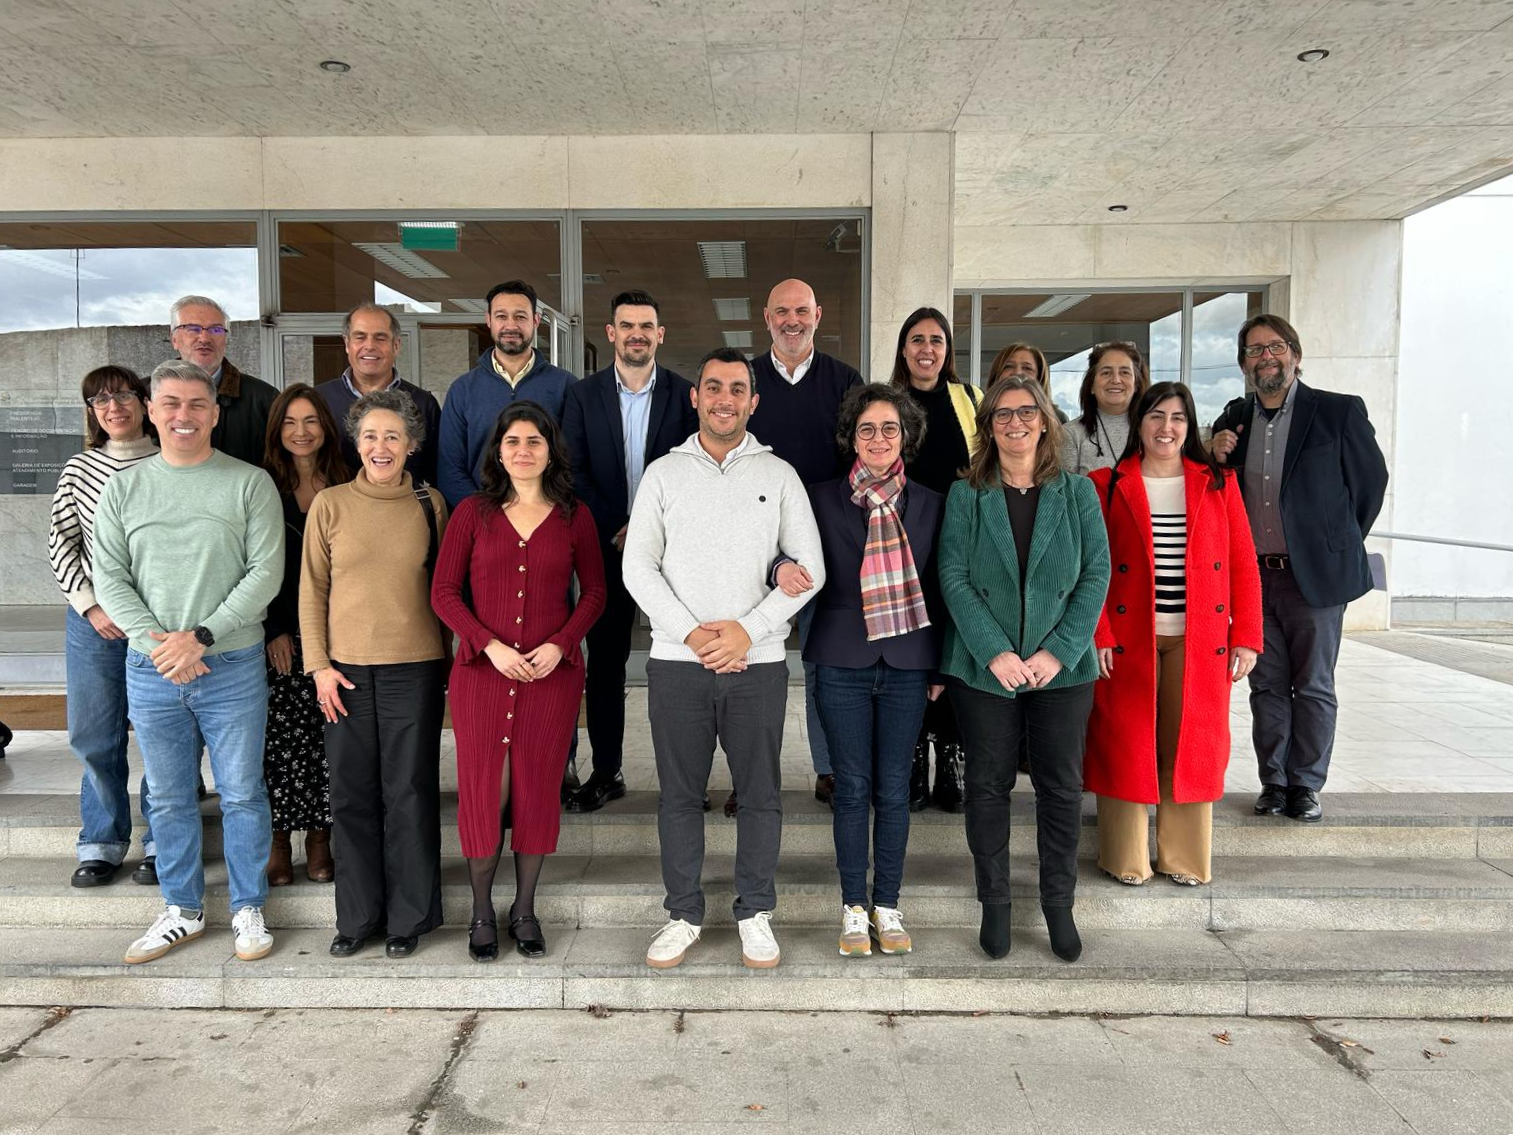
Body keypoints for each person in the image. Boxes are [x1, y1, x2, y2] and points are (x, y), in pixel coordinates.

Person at [624, 347, 824, 971]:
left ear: (752, 402)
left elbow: (810, 571)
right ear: (695, 396)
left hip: (757, 665)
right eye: (713, 387)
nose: (724, 399)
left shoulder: (779, 475)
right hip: (676, 663)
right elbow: (637, 567)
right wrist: (691, 635)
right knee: (679, 796)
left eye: (737, 389)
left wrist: (747, 631)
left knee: (760, 794)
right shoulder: (662, 474)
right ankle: (683, 913)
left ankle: (756, 911)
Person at [92, 360, 283, 965]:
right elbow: (110, 577)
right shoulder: (123, 487)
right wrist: (161, 646)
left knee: (242, 792)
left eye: (196, 404)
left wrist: (200, 636)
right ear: (152, 410)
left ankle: (249, 907)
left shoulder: (249, 483)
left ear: (214, 412)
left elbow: (266, 573)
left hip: (229, 664)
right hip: (152, 670)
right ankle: (183, 909)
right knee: (170, 797)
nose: (183, 415)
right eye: (170, 403)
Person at [937, 375, 1110, 963]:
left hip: (1063, 669)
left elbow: (1095, 577)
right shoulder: (968, 494)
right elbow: (954, 578)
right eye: (1002, 414)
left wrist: (1055, 652)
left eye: (1025, 412)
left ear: (1044, 420)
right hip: (986, 669)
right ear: (988, 426)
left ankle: (1058, 904)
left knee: (1061, 789)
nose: (1014, 422)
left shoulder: (1077, 492)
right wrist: (996, 652)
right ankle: (996, 905)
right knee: (987, 787)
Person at [433, 402, 606, 961]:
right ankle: (481, 910)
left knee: (536, 794)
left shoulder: (574, 515)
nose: (523, 450)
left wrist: (562, 643)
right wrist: (489, 644)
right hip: (483, 679)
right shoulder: (472, 514)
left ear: (550, 450)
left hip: (550, 679)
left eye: (534, 441)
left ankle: (524, 908)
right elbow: (444, 593)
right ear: (498, 451)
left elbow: (597, 593)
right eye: (512, 442)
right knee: (485, 794)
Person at [1210, 314, 1388, 823]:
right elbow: (1217, 491)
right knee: (1266, 685)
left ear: (1295, 354)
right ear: (1244, 363)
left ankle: (1306, 785)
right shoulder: (1234, 417)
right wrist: (1215, 454)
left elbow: (1369, 485)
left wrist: (1331, 543)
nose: (1266, 357)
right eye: (1254, 350)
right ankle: (1274, 782)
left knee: (1312, 684)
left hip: (1313, 578)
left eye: (1276, 347)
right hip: (1253, 578)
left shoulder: (1337, 413)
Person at [1085, 382, 1262, 887]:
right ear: (1139, 423)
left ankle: (1183, 858)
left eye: (1179, 418)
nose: (1168, 427)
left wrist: (1246, 633)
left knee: (1189, 739)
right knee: (1126, 739)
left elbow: (1244, 565)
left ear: (1190, 426)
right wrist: (1098, 632)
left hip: (1198, 635)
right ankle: (1125, 857)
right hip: (1127, 635)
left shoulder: (1218, 483)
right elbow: (1091, 568)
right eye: (1157, 416)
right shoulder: (1107, 483)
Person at [301, 389, 448, 959]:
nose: (380, 446)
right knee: (352, 795)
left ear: (411, 444)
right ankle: (357, 917)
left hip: (414, 667)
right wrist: (319, 667)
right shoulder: (330, 504)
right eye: (370, 436)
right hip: (345, 674)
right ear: (355, 442)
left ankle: (410, 918)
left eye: (392, 436)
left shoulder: (429, 502)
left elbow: (445, 587)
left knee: (409, 792)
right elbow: (311, 589)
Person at [805, 384, 943, 957]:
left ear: (906, 435)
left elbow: (941, 584)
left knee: (893, 789)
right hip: (842, 660)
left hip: (911, 661)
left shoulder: (935, 502)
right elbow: (792, 558)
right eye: (867, 429)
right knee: (851, 789)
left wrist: (942, 666)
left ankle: (888, 903)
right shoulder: (820, 498)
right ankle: (853, 909)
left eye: (889, 428)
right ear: (851, 438)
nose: (879, 439)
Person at [560, 290, 695, 813]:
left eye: (647, 325)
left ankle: (687, 780)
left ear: (660, 335)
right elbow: (571, 469)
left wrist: (648, 527)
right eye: (626, 325)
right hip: (604, 545)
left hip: (674, 551)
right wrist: (622, 526)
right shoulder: (582, 395)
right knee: (608, 663)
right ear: (611, 333)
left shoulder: (684, 395)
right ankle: (607, 770)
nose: (637, 333)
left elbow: (692, 466)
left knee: (684, 662)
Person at [740, 279, 866, 812]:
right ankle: (750, 780)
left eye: (801, 311)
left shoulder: (845, 381)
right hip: (753, 546)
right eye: (781, 312)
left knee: (823, 663)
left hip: (825, 549)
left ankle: (828, 769)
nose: (792, 321)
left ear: (818, 314)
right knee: (747, 664)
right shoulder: (745, 380)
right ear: (765, 318)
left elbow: (858, 465)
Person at [48, 365, 160, 888]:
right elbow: (61, 543)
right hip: (96, 622)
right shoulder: (80, 468)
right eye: (99, 401)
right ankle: (102, 839)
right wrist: (92, 606)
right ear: (92, 413)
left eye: (122, 396)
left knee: (163, 736)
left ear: (144, 401)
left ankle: (163, 839)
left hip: (159, 621)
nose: (112, 407)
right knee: (95, 733)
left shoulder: (171, 461)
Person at [260, 384, 351, 887]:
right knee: (278, 741)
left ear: (326, 428)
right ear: (277, 430)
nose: (301, 432)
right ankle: (279, 841)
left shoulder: (346, 481)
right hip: (277, 634)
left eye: (311, 421)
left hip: (338, 628)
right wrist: (274, 627)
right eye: (291, 422)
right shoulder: (260, 485)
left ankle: (320, 838)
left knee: (325, 738)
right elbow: (252, 565)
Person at [891, 306, 979, 813]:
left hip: (960, 541)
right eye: (917, 339)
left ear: (947, 351)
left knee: (955, 646)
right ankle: (912, 760)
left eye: (937, 341)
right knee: (913, 649)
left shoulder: (969, 399)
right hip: (901, 545)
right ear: (904, 349)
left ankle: (950, 756)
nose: (927, 349)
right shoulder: (889, 401)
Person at [438, 280, 576, 509]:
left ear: (535, 321)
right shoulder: (462, 390)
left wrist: (547, 511)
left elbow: (574, 461)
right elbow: (449, 469)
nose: (510, 325)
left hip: (548, 519)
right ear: (489, 320)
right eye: (502, 316)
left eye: (520, 317)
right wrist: (488, 515)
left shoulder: (566, 386)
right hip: (482, 523)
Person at [316, 303, 441, 485]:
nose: (369, 346)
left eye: (380, 338)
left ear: (396, 345)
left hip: (404, 509)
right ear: (347, 344)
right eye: (360, 337)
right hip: (336, 510)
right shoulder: (320, 400)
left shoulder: (423, 403)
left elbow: (435, 471)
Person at [168, 294, 278, 466]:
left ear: (226, 339)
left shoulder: (265, 399)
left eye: (216, 330)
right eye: (193, 328)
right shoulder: (147, 395)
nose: (204, 338)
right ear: (174, 339)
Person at [1059, 341, 1149, 476]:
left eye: (1124, 372)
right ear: (1092, 386)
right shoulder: (1071, 435)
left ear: (1136, 384)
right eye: (1106, 373)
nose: (1116, 380)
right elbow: (1065, 493)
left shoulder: (1154, 430)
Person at [987, 341, 1068, 423]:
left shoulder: (1057, 418)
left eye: (1027, 368)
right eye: (1009, 366)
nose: (1017, 372)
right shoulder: (982, 414)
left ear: (1039, 378)